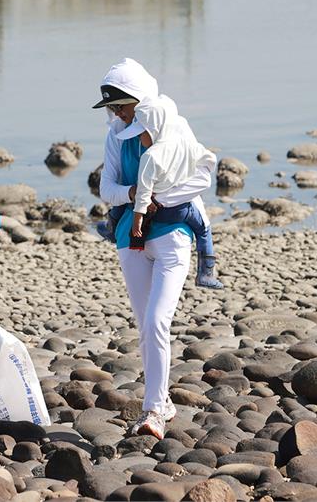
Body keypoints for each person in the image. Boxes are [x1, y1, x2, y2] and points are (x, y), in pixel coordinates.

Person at [92, 58, 217, 439]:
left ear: (141, 101)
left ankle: (153, 413)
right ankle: (162, 401)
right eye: (111, 108)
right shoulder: (115, 135)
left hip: (172, 236)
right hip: (130, 237)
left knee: (157, 321)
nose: (115, 114)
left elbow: (201, 177)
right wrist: (134, 193)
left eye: (120, 106)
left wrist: (158, 196)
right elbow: (106, 189)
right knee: (145, 327)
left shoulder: (174, 127)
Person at [121, 94, 217, 282]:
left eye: (141, 133)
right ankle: (206, 273)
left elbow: (143, 191)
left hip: (158, 212)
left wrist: (137, 221)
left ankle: (116, 229)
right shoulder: (184, 145)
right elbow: (209, 160)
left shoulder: (151, 156)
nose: (139, 138)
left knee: (124, 210)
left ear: (153, 129)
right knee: (204, 230)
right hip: (182, 210)